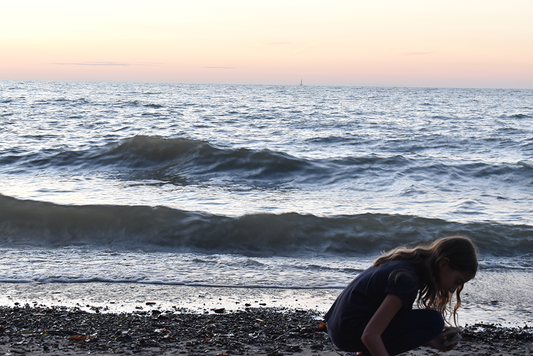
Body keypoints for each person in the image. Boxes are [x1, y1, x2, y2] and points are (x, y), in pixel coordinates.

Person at [324, 236, 478, 356]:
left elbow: (386, 324)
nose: (452, 290)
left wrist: (429, 340)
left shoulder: (405, 264)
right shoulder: (406, 282)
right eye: (456, 282)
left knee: (431, 324)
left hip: (337, 327)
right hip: (347, 333)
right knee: (434, 321)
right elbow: (370, 335)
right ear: (443, 264)